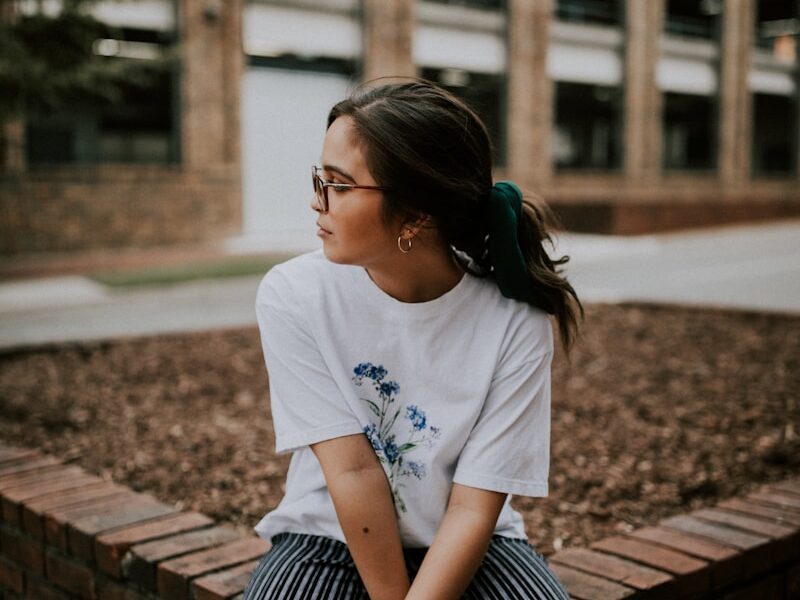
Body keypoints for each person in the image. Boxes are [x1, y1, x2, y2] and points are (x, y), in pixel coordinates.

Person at [244, 79, 581, 600]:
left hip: (472, 543)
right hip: (327, 534)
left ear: (417, 213)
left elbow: (473, 506)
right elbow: (353, 471)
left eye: (339, 183)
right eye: (320, 177)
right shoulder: (295, 294)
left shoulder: (515, 322)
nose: (317, 202)